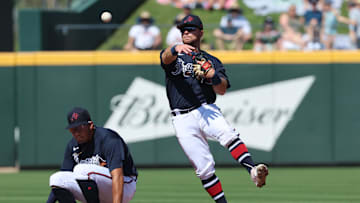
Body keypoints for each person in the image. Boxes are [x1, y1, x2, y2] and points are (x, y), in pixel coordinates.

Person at [160, 14, 268, 203]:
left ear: (201, 32)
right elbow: (164, 57)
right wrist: (175, 48)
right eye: (183, 29)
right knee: (203, 169)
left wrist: (213, 76)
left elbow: (222, 89)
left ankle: (252, 169)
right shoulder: (175, 56)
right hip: (181, 118)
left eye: (190, 28)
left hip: (205, 109)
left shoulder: (211, 60)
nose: (186, 31)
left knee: (227, 134)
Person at [46, 107, 138, 203]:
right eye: (73, 130)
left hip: (125, 185)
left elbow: (117, 175)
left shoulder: (109, 139)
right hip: (97, 187)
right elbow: (62, 181)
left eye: (79, 128)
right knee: (56, 179)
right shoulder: (72, 145)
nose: (76, 133)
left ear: (90, 125)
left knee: (81, 169)